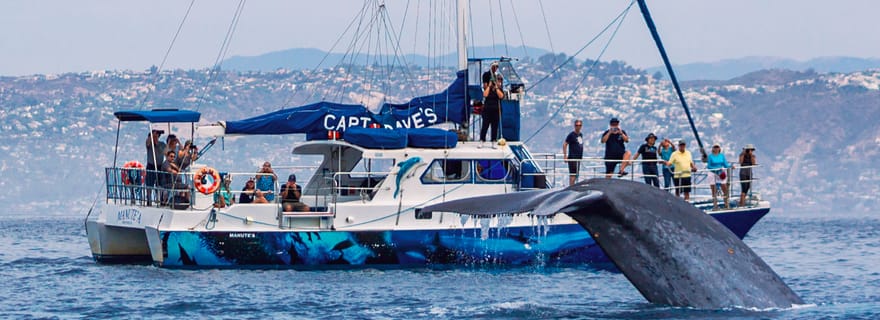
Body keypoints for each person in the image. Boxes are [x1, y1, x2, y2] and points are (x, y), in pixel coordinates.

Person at [480, 75, 504, 148]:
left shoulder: (500, 89)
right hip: (487, 110)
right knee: (485, 125)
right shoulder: (488, 89)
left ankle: (493, 141)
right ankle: (482, 140)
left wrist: (496, 88)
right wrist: (489, 86)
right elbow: (485, 95)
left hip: (496, 110)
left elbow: (501, 96)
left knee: (494, 126)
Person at [706, 143, 732, 209]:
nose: (716, 148)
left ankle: (726, 204)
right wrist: (715, 170)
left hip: (720, 173)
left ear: (719, 148)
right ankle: (715, 205)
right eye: (715, 147)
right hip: (713, 173)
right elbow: (709, 166)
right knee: (714, 189)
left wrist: (730, 166)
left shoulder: (722, 156)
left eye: (717, 147)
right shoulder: (710, 156)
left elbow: (725, 164)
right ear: (713, 149)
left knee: (725, 188)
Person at [145, 129, 166, 205]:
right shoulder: (149, 145)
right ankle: (149, 200)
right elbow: (147, 143)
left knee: (160, 184)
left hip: (159, 166)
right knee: (149, 184)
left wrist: (155, 138)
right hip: (151, 165)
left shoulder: (162, 144)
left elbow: (161, 149)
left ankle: (160, 199)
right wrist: (151, 136)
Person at [562, 119, 585, 186]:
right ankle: (571, 187)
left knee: (576, 174)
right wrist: (565, 156)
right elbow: (565, 144)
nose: (578, 127)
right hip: (572, 157)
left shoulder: (580, 134)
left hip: (578, 158)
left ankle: (574, 186)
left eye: (579, 125)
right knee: (573, 174)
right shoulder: (571, 135)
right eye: (577, 125)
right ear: (574, 126)